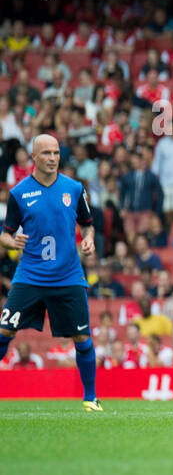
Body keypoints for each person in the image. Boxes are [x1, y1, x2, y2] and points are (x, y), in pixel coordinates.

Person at [0, 134, 102, 411]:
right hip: (30, 275)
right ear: (33, 157)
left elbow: (88, 223)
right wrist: (12, 241)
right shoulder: (19, 194)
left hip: (68, 275)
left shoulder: (74, 188)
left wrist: (89, 238)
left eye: (56, 153)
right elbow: (5, 235)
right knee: (4, 331)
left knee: (82, 337)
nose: (53, 158)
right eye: (46, 153)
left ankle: (90, 398)